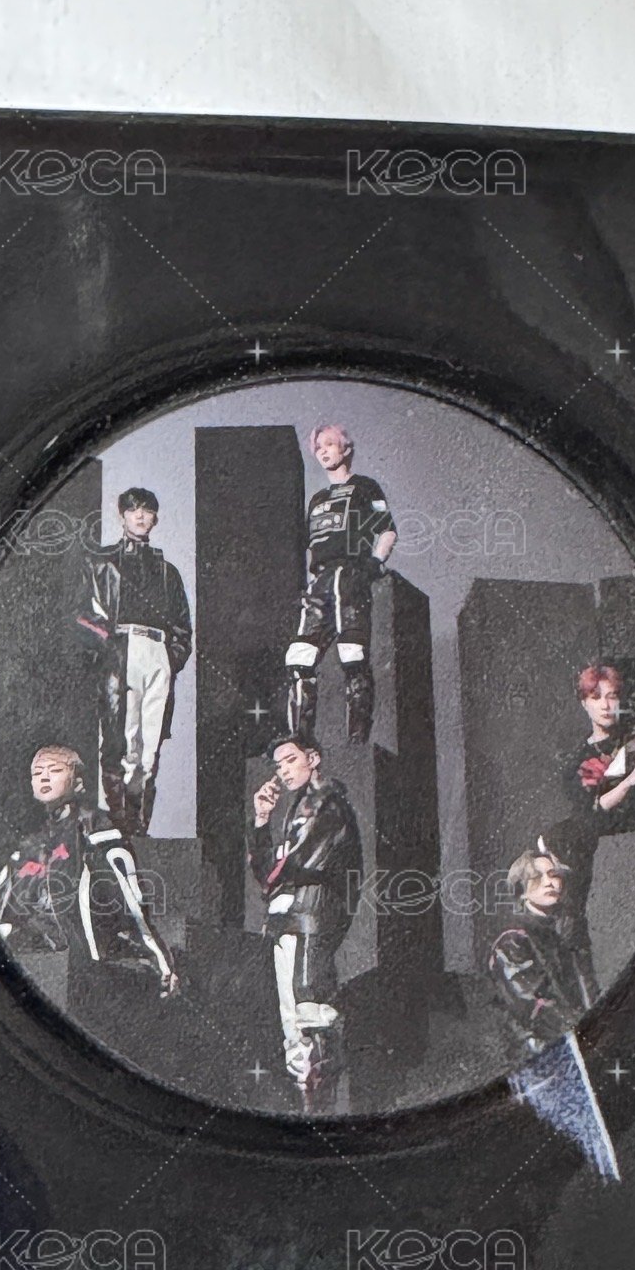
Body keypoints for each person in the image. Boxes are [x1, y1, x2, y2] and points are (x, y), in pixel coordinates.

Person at [0, 744, 178, 995]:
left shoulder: (93, 827)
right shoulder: (31, 845)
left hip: (88, 960)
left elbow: (129, 894)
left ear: (77, 782)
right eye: (37, 772)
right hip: (43, 960)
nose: (44, 777)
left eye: (54, 770)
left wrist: (159, 960)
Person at [248, 735, 363, 1110]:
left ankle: (321, 1108)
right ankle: (309, 1107)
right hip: (288, 921)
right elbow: (267, 872)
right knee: (293, 1021)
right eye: (278, 765)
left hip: (309, 918)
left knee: (309, 1008)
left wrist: (276, 878)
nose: (283, 771)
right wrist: (261, 820)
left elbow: (294, 865)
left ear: (313, 758)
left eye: (290, 760)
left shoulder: (328, 804)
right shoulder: (298, 810)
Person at [75, 486, 193, 835]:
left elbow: (182, 628)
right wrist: (109, 648)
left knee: (149, 747)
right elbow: (81, 615)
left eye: (147, 510)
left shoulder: (168, 572)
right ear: (122, 515)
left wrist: (170, 659)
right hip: (121, 650)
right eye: (133, 510)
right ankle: (119, 823)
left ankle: (139, 827)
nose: (140, 516)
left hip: (157, 650)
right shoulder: (101, 563)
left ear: (155, 518)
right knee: (120, 741)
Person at [542, 662, 635, 942]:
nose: (606, 705)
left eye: (612, 696)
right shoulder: (579, 763)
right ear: (584, 704)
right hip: (625, 854)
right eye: (596, 697)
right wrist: (632, 778)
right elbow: (596, 808)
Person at [284, 423, 397, 746]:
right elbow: (308, 544)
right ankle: (300, 738)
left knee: (352, 653)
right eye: (318, 447)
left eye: (330, 444)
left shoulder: (365, 487)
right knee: (299, 657)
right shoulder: (317, 499)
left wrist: (375, 562)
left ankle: (357, 739)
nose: (323, 451)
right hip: (319, 581)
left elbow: (387, 530)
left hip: (350, 576)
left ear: (346, 448)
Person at [488, 847, 597, 1060]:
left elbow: (585, 988)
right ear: (521, 890)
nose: (549, 882)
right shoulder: (513, 939)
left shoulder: (563, 931)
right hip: (539, 1051)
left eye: (554, 875)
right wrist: (584, 1028)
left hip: (577, 1039)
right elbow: (531, 1005)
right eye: (537, 877)